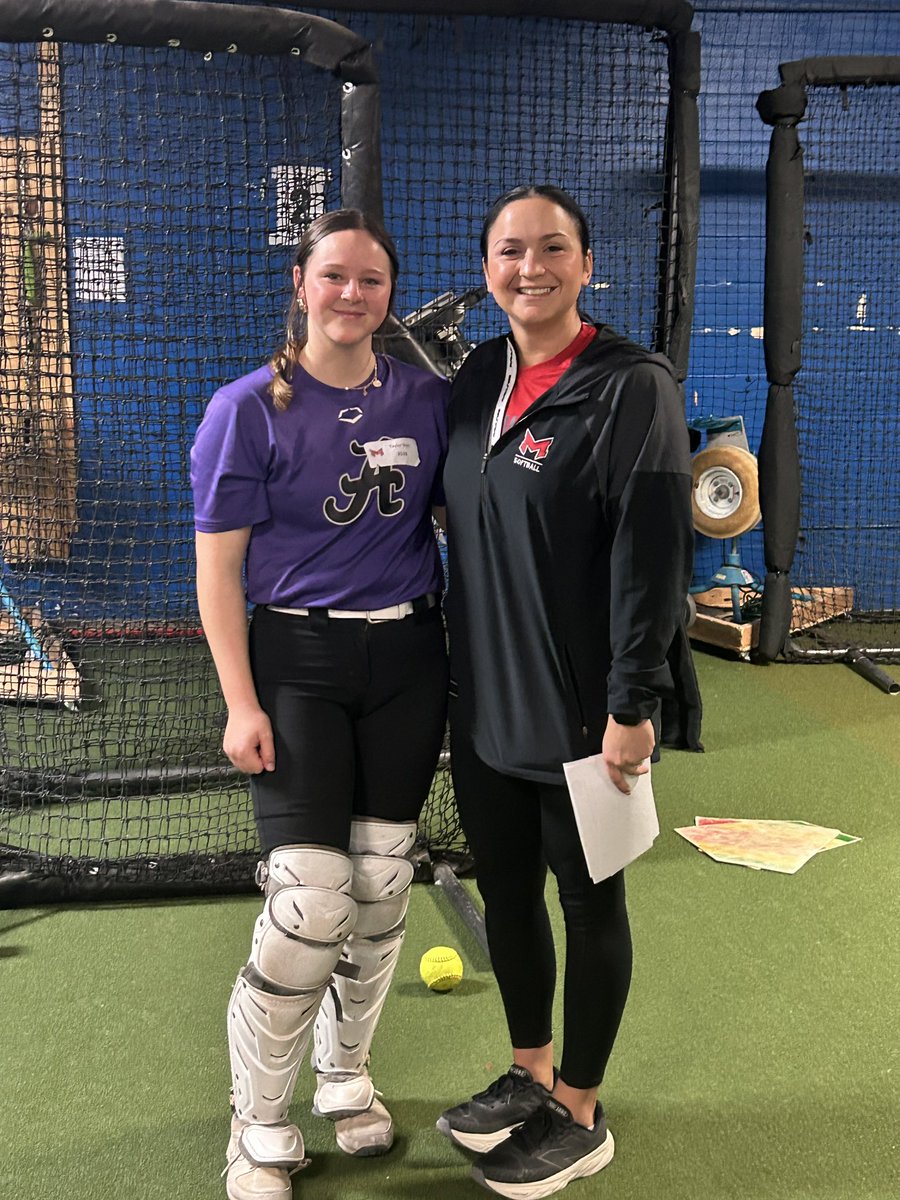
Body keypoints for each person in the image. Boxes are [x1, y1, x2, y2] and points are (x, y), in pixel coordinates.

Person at [438, 185, 695, 1198]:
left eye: (553, 249)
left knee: (591, 909)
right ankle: (529, 1072)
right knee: (508, 897)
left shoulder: (633, 386)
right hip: (487, 702)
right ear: (489, 265)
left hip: (590, 714)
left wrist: (634, 708)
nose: (529, 268)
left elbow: (654, 558)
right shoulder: (476, 377)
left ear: (587, 264)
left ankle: (581, 1109)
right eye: (510, 251)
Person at [190, 208, 449, 1200]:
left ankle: (345, 1078)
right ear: (301, 284)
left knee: (382, 890)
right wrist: (238, 702)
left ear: (389, 296)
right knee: (308, 902)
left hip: (409, 656)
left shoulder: (425, 400)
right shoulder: (245, 409)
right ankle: (254, 1122)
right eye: (334, 276)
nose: (352, 295)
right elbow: (218, 574)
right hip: (295, 658)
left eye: (371, 281)